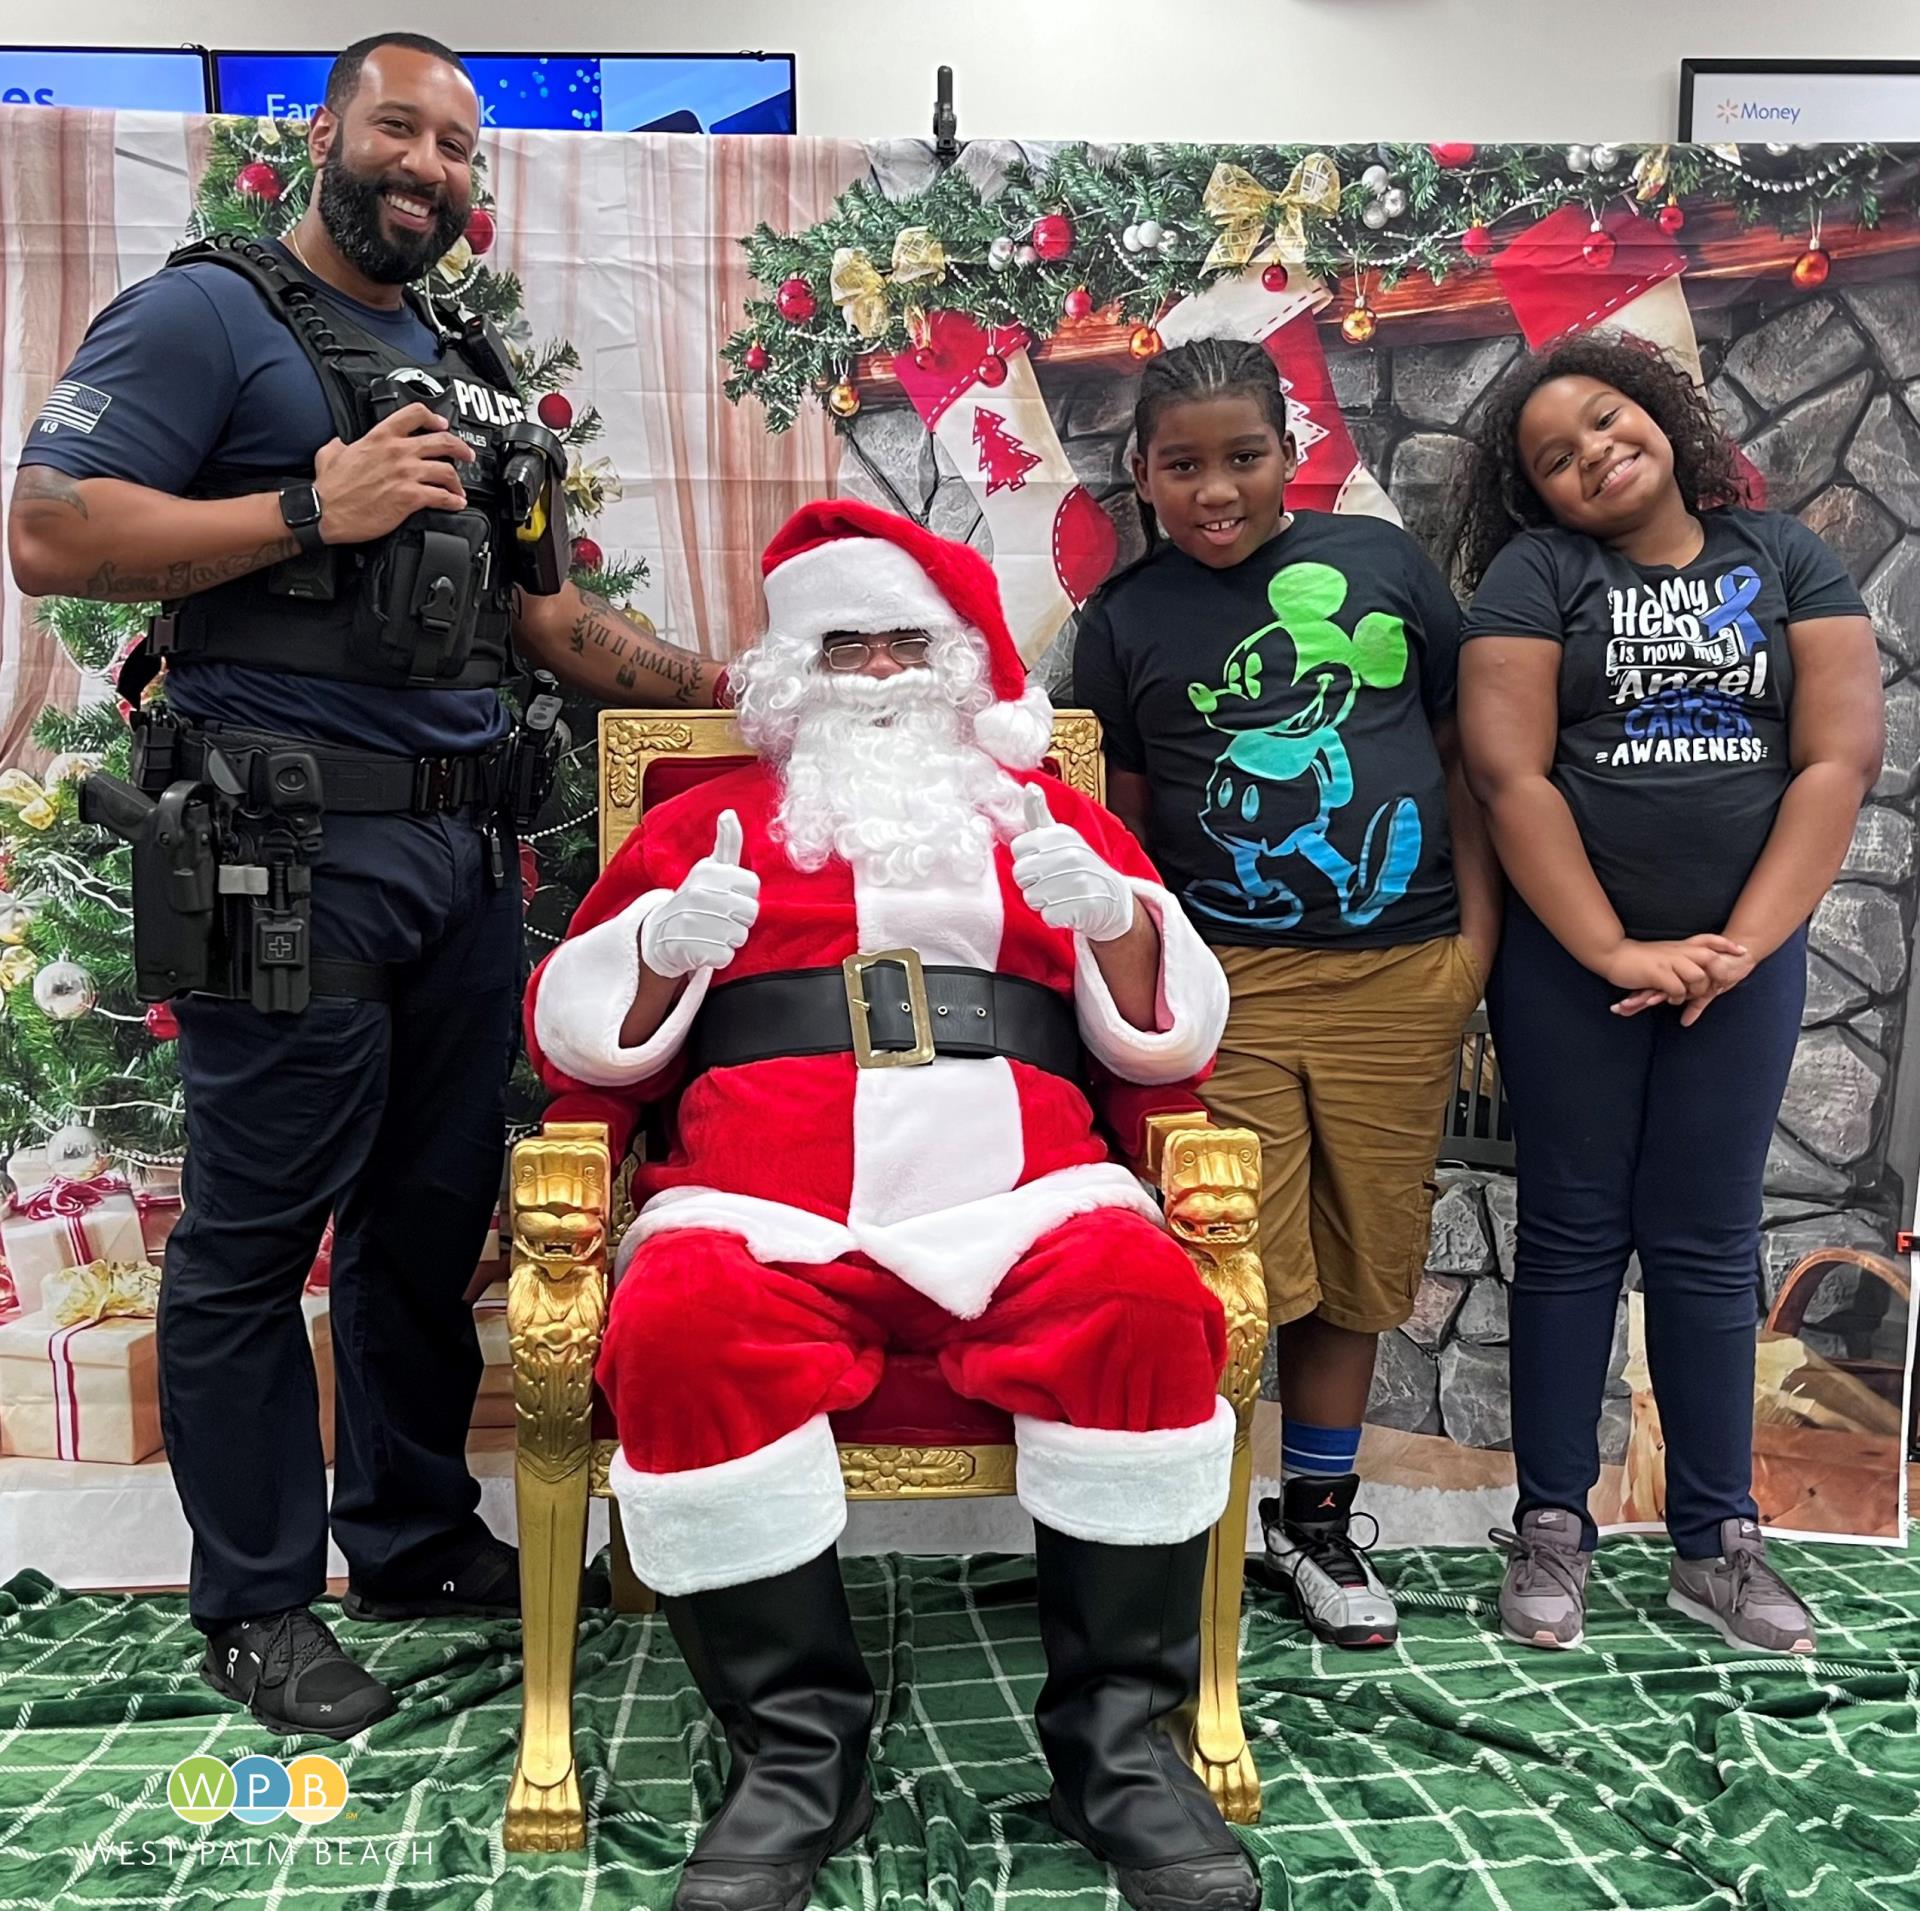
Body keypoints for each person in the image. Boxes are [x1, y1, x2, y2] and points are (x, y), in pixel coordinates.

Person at [4, 32, 721, 1739]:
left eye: (461, 149)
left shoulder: (470, 365)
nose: (431, 166)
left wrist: (748, 683)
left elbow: (553, 624)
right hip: (276, 844)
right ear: (323, 136)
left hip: (466, 859)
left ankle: (405, 1532)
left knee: (422, 1220)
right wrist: (302, 506)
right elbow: (52, 530)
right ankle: (254, 1603)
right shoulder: (204, 317)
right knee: (254, 1237)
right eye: (401, 128)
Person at [527, 498, 1261, 1911]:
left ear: (958, 663)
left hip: (1027, 1194)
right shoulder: (708, 823)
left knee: (1146, 1304)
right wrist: (660, 956)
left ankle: (1116, 1743)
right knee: (679, 1325)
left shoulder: (1048, 819)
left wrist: (1116, 924)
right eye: (842, 648)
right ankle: (800, 1752)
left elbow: (1172, 1047)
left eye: (901, 647)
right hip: (762, 1206)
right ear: (794, 670)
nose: (873, 675)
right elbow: (577, 1042)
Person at [1452, 335, 1883, 1654]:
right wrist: (1615, 951)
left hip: (1738, 967)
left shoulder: (1785, 559)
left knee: (1706, 1238)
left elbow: (1837, 759)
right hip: (1572, 969)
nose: (1592, 453)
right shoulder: (1539, 576)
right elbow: (1510, 777)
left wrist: (1742, 945)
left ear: (1662, 415)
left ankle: (1717, 1543)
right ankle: (1550, 1530)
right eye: (1555, 457)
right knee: (1574, 1233)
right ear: (1538, 497)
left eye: (1605, 419)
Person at [1072, 338, 1499, 1650]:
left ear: (1292, 452)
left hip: (1400, 980)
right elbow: (1126, 835)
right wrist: (1153, 1004)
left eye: (1241, 458)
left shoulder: (1384, 568)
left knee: (1363, 1268)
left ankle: (1314, 1523)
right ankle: (1193, 1526)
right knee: (1232, 1266)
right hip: (1235, 990)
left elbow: (1456, 753)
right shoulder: (1125, 620)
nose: (1214, 490)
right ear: (1140, 473)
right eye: (1183, 465)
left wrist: (1471, 949)